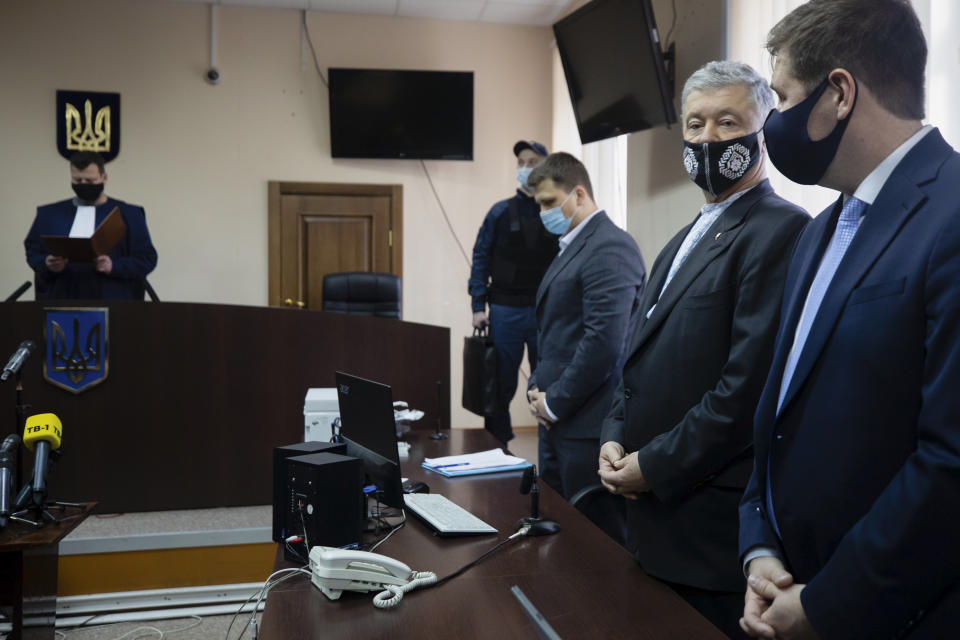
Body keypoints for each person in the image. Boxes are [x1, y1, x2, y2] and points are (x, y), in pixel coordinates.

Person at [737, 1, 960, 638]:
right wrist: (760, 548)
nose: (773, 121)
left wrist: (827, 603)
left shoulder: (952, 212)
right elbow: (779, 411)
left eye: (781, 97)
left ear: (838, 92)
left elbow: (949, 462)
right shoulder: (820, 231)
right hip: (785, 588)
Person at [596, 61, 809, 638]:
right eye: (695, 125)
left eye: (727, 121)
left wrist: (653, 466)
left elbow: (744, 391)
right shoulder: (682, 237)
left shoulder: (782, 229)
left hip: (704, 527)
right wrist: (614, 432)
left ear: (763, 129)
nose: (708, 139)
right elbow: (635, 356)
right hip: (648, 518)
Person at [525, 152, 645, 500]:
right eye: (539, 204)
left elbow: (603, 344)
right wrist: (538, 392)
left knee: (591, 538)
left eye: (549, 202)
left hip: (588, 422)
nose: (543, 212)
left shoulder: (609, 246)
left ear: (578, 194)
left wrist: (554, 403)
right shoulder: (572, 246)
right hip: (557, 418)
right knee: (557, 526)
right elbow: (556, 333)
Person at [468, 141, 558, 445]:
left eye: (533, 162)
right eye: (521, 162)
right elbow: (480, 257)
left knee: (547, 384)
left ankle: (550, 454)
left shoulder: (556, 211)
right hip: (505, 311)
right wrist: (477, 305)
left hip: (545, 313)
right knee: (499, 387)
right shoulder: (500, 212)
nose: (525, 168)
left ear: (547, 166)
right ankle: (498, 449)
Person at [24, 151, 158, 300]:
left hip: (116, 304)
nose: (83, 184)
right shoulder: (49, 214)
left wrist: (114, 266)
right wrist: (47, 263)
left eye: (89, 180)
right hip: (63, 300)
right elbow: (33, 252)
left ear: (104, 177)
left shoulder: (129, 214)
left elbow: (147, 259)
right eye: (77, 180)